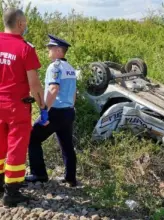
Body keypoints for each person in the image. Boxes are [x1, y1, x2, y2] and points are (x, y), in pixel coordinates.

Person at [0, 8, 48, 207]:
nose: (26, 26)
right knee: (16, 146)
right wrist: (43, 107)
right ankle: (11, 192)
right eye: (25, 23)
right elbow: (34, 84)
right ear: (20, 24)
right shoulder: (25, 48)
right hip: (16, 106)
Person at [25, 34, 77, 187]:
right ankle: (70, 178)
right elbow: (73, 92)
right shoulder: (70, 68)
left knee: (32, 138)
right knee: (67, 144)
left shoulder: (55, 67)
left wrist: (44, 111)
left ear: (59, 50)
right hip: (68, 111)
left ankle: (39, 174)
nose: (48, 50)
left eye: (51, 48)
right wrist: (71, 108)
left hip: (55, 112)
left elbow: (53, 89)